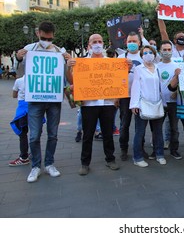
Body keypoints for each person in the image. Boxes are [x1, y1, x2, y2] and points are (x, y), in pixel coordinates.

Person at [15, 21, 71, 182]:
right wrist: (18, 57)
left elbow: (68, 75)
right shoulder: (29, 49)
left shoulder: (60, 51)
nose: (47, 41)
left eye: (50, 39)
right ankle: (35, 166)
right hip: (34, 100)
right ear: (38, 33)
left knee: (53, 134)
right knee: (34, 135)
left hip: (54, 100)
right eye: (44, 38)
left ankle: (49, 163)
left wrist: (69, 62)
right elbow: (19, 71)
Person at [67, 34, 123, 175]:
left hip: (107, 103)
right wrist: (68, 68)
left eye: (100, 41)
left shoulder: (111, 62)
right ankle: (85, 163)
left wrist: (117, 97)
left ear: (103, 44)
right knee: (88, 135)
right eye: (94, 42)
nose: (97, 44)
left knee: (108, 133)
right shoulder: (81, 63)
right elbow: (71, 80)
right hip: (88, 104)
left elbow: (117, 79)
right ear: (89, 45)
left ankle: (110, 159)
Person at [130, 45, 166, 167]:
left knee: (158, 131)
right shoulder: (139, 69)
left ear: (155, 54)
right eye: (145, 53)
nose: (148, 54)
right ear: (141, 56)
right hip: (142, 104)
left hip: (157, 103)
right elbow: (135, 86)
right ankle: (137, 157)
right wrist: (134, 104)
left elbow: (161, 85)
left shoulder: (158, 68)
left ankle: (159, 154)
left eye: (150, 52)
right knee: (139, 132)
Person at [117, 31, 143, 161]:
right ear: (126, 43)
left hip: (140, 96)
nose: (132, 44)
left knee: (140, 124)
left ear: (139, 43)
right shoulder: (120, 57)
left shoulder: (144, 56)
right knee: (124, 124)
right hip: (125, 96)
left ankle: (140, 148)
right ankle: (123, 148)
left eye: (134, 41)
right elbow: (115, 78)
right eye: (129, 41)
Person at [157, 40, 182, 159]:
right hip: (159, 102)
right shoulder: (156, 67)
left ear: (172, 51)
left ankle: (174, 150)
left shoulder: (177, 67)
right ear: (160, 51)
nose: (167, 52)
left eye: (169, 50)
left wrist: (176, 92)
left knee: (174, 128)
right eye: (164, 50)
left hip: (173, 103)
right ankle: (157, 150)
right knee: (157, 127)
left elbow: (182, 83)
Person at [9, 75, 30, 166]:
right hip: (36, 108)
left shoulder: (19, 80)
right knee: (35, 133)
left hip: (23, 110)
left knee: (23, 133)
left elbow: (14, 95)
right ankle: (35, 154)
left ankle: (24, 157)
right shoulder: (38, 79)